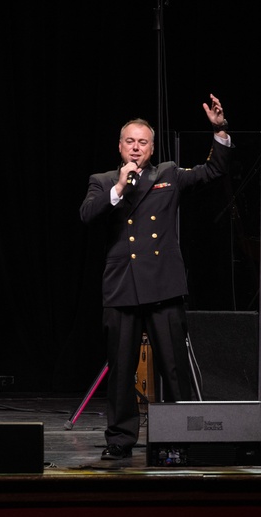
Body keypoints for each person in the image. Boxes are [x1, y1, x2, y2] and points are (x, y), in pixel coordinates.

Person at [79, 94, 231, 461]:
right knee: (121, 371)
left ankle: (179, 436)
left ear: (151, 147)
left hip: (163, 286)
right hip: (122, 288)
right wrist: (119, 186)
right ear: (119, 146)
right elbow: (87, 215)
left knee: (173, 368)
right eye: (129, 141)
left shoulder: (168, 174)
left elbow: (212, 172)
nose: (135, 148)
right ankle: (120, 439)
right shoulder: (103, 181)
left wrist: (220, 130)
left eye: (142, 142)